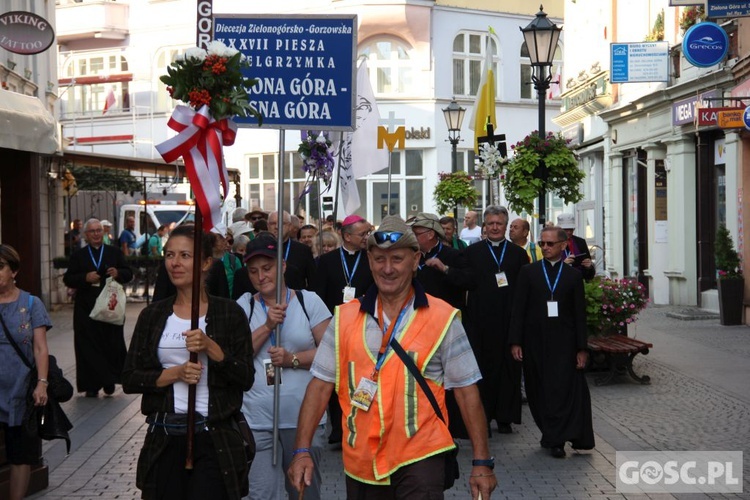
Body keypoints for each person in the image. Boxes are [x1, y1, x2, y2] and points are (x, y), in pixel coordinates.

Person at [288, 216, 497, 500]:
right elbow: (320, 385)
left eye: (397, 259)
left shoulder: (443, 317)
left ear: (415, 260)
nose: (387, 269)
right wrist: (302, 451)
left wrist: (482, 463)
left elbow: (466, 391)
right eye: (378, 260)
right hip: (361, 461)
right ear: (369, 262)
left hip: (420, 456)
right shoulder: (344, 318)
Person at [122, 224, 254, 500]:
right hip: (164, 437)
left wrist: (213, 350)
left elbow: (245, 377)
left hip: (213, 438)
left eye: (185, 255)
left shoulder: (229, 313)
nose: (175, 263)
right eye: (170, 255)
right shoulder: (153, 315)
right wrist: (174, 374)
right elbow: (131, 377)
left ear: (206, 262)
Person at [237, 234, 332, 500]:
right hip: (257, 419)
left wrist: (293, 359)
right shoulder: (243, 306)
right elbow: (236, 356)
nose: (261, 276)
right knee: (261, 493)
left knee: (303, 491)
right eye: (254, 271)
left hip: (302, 417)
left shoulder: (307, 301)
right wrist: (267, 326)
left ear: (283, 267)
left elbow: (331, 353)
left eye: (267, 268)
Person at [509, 226, 595, 458]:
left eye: (550, 244)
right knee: (539, 390)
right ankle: (549, 432)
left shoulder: (573, 276)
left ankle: (556, 438)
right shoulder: (529, 272)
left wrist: (582, 348)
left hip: (564, 343)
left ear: (563, 245)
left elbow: (579, 314)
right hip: (534, 341)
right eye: (542, 244)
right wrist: (515, 341)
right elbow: (518, 309)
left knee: (561, 390)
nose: (545, 247)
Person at [464, 206, 529, 435]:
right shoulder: (473, 253)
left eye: (499, 224)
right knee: (483, 370)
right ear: (485, 225)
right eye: (490, 223)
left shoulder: (518, 254)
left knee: (509, 370)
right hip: (481, 320)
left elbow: (526, 290)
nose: (494, 227)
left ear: (505, 225)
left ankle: (505, 418)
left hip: (509, 320)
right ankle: (484, 417)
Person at [409, 213, 474, 440]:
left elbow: (470, 281)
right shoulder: (412, 256)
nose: (413, 237)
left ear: (430, 234)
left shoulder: (453, 255)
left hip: (447, 323)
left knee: (451, 375)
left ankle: (455, 425)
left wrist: (445, 269)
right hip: (417, 321)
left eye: (416, 234)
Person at [312, 214, 374, 447]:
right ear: (347, 236)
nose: (367, 237)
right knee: (335, 378)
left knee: (361, 377)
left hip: (364, 325)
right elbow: (318, 295)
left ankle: (361, 424)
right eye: (363, 234)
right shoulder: (327, 262)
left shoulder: (371, 258)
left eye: (368, 233)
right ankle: (339, 429)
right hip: (334, 326)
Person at [0, 244, 52, 500]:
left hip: (20, 390)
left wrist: (42, 383)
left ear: (14, 271)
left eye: (0, 267)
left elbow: (40, 348)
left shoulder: (31, 303)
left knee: (20, 455)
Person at [63, 218, 133, 397]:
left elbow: (128, 273)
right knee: (87, 346)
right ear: (86, 235)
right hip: (86, 308)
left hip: (110, 307)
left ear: (103, 233)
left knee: (110, 344)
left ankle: (109, 381)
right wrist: (85, 278)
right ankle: (91, 385)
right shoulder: (78, 256)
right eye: (92, 231)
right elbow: (68, 278)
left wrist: (118, 273)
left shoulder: (114, 252)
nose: (96, 234)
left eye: (99, 231)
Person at [556, 213, 595, 281]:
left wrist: (589, 267)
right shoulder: (553, 243)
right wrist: (563, 265)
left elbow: (590, 274)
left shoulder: (580, 242)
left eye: (571, 229)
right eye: (566, 229)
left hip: (578, 281)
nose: (569, 232)